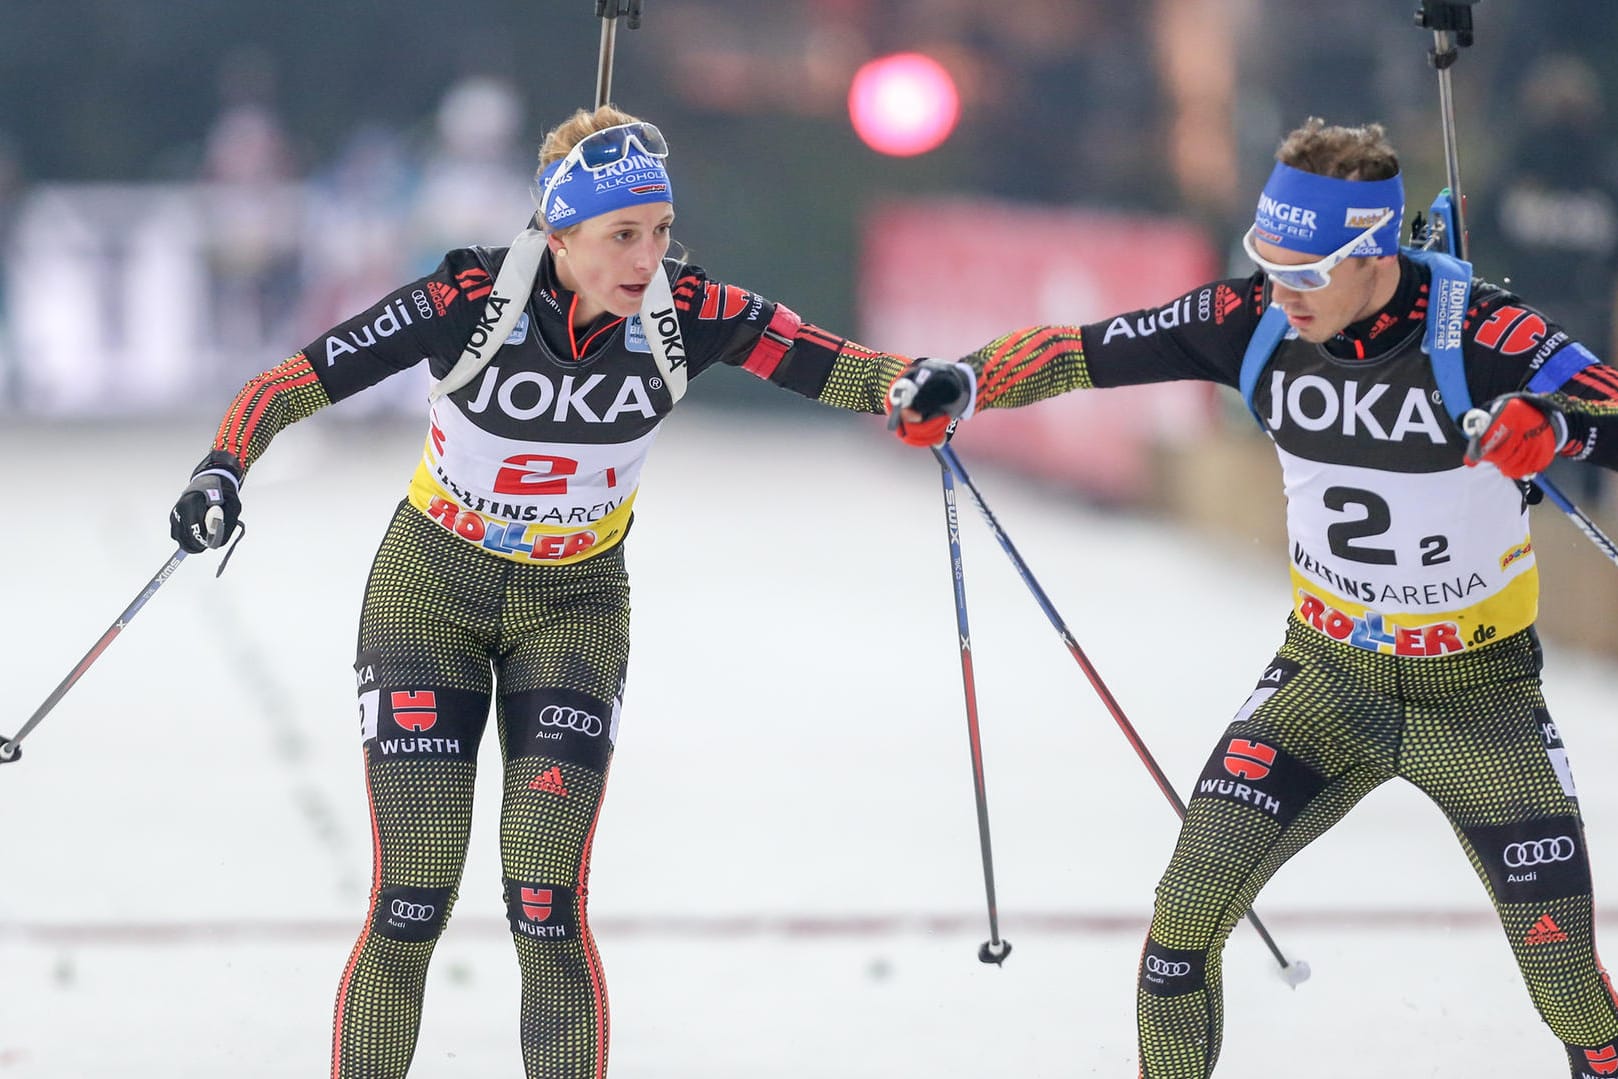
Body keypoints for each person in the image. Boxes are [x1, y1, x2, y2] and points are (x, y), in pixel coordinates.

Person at [168, 104, 915, 1078]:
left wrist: (914, 391)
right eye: (620, 235)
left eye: (658, 231)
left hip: (574, 605)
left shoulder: (687, 311)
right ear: (558, 234)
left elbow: (843, 368)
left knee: (545, 905)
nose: (647, 258)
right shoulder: (468, 299)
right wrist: (221, 465)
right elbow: (295, 380)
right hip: (431, 590)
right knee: (412, 900)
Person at [888, 118, 1618, 1076]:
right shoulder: (1257, 321)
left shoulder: (1481, 334)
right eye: (1269, 262)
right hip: (1324, 678)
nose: (1283, 292)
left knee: (1566, 983)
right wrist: (968, 378)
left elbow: (1605, 410)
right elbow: (1079, 350)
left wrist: (1553, 433)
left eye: (1308, 272)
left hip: (1478, 699)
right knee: (1179, 927)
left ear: (1375, 254)